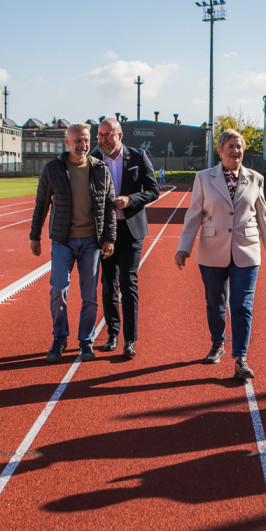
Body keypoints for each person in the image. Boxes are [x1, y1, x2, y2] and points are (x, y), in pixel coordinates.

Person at [175, 129, 266, 380]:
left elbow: (263, 216)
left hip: (247, 249)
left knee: (242, 305)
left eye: (239, 147)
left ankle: (241, 358)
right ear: (220, 151)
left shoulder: (255, 178)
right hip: (212, 250)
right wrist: (183, 247)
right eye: (230, 147)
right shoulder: (203, 178)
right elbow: (193, 214)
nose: (236, 151)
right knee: (215, 302)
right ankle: (217, 342)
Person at [29, 123, 116, 364]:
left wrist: (109, 238)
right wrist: (35, 236)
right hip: (63, 241)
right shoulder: (53, 169)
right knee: (58, 290)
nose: (82, 144)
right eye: (77, 140)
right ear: (67, 142)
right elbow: (41, 203)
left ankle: (86, 340)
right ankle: (59, 338)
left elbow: (109, 206)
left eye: (86, 140)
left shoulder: (100, 169)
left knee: (89, 296)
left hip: (91, 242)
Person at [96, 117, 160, 358]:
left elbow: (153, 191)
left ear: (119, 136)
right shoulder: (94, 158)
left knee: (128, 282)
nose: (103, 140)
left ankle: (130, 340)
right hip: (105, 232)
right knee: (108, 283)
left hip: (131, 230)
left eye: (108, 135)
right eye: (100, 135)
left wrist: (131, 199)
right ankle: (113, 333)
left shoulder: (138, 156)